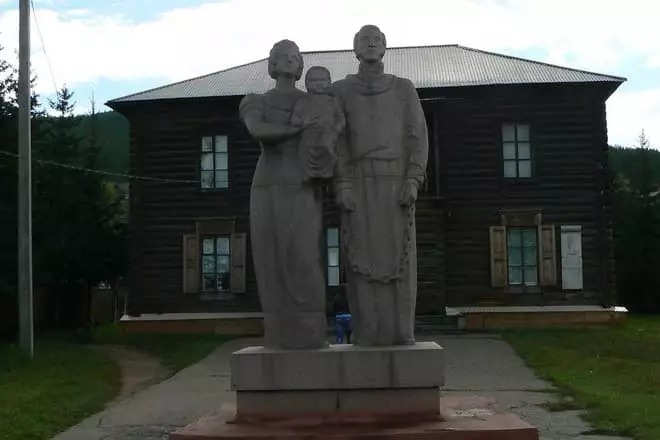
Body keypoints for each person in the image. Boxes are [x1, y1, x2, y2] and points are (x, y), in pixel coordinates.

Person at [331, 25, 429, 346]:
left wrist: (413, 178)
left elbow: (417, 136)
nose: (371, 44)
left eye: (377, 40)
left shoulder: (403, 88)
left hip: (396, 178)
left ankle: (402, 329)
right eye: (364, 40)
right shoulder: (341, 91)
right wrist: (343, 183)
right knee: (361, 254)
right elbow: (338, 141)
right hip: (358, 180)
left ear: (385, 48)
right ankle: (368, 330)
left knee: (399, 258)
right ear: (355, 50)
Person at [238, 40, 328, 349]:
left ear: (301, 65)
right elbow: (259, 131)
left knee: (303, 257)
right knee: (271, 259)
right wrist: (297, 130)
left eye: (295, 57)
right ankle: (278, 333)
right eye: (283, 57)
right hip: (267, 183)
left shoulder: (314, 101)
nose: (289, 61)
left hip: (302, 182)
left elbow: (328, 136)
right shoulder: (255, 101)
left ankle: (310, 333)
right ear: (272, 64)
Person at [291, 65, 345, 189]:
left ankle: (327, 174)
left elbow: (341, 119)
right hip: (309, 136)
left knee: (328, 148)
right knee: (305, 151)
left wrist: (337, 128)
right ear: (306, 83)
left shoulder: (333, 101)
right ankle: (308, 175)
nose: (319, 84)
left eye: (322, 80)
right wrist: (303, 122)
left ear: (329, 82)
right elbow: (295, 119)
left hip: (328, 135)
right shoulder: (302, 101)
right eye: (314, 81)